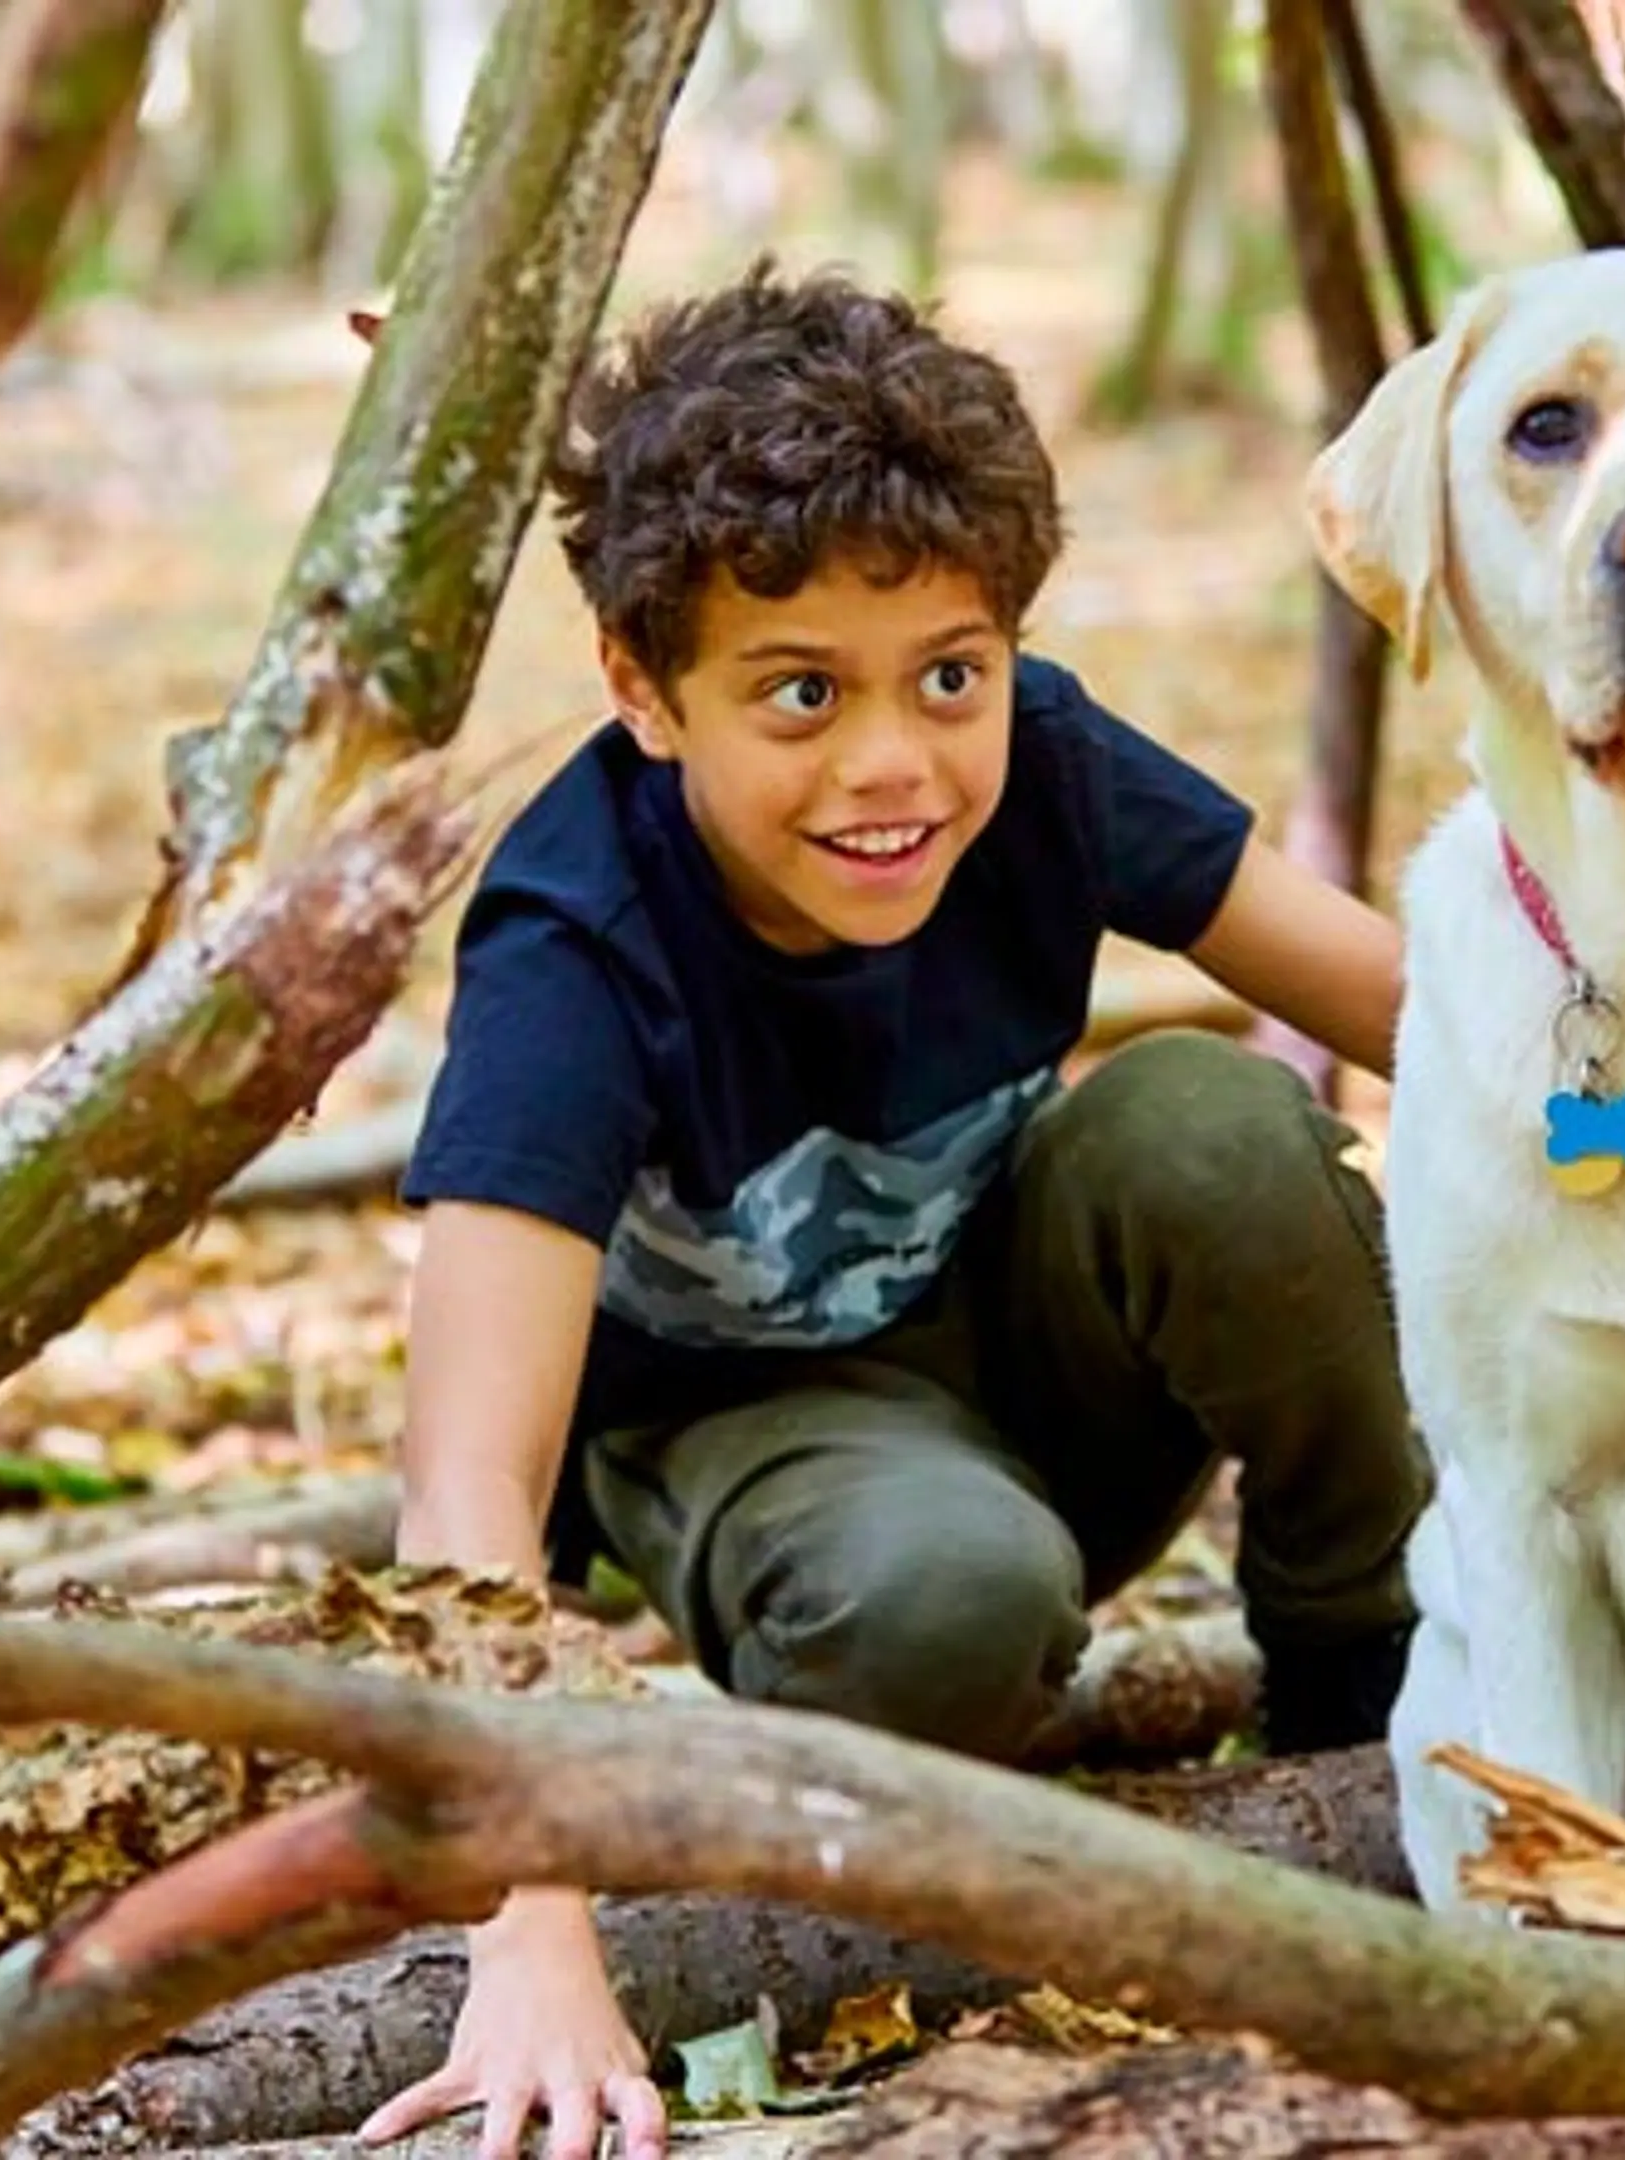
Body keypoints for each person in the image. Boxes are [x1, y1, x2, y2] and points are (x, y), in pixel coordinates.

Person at [357, 260, 1431, 2160]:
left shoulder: (1049, 769)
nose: (892, 765)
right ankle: (964, 1709)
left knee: (1220, 1129)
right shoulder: (575, 949)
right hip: (767, 1459)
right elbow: (462, 1487)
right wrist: (529, 1929)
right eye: (797, 693)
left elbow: (1424, 1020)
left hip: (1029, 1358)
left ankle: (1360, 1696)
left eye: (952, 674)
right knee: (946, 1593)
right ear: (643, 692)